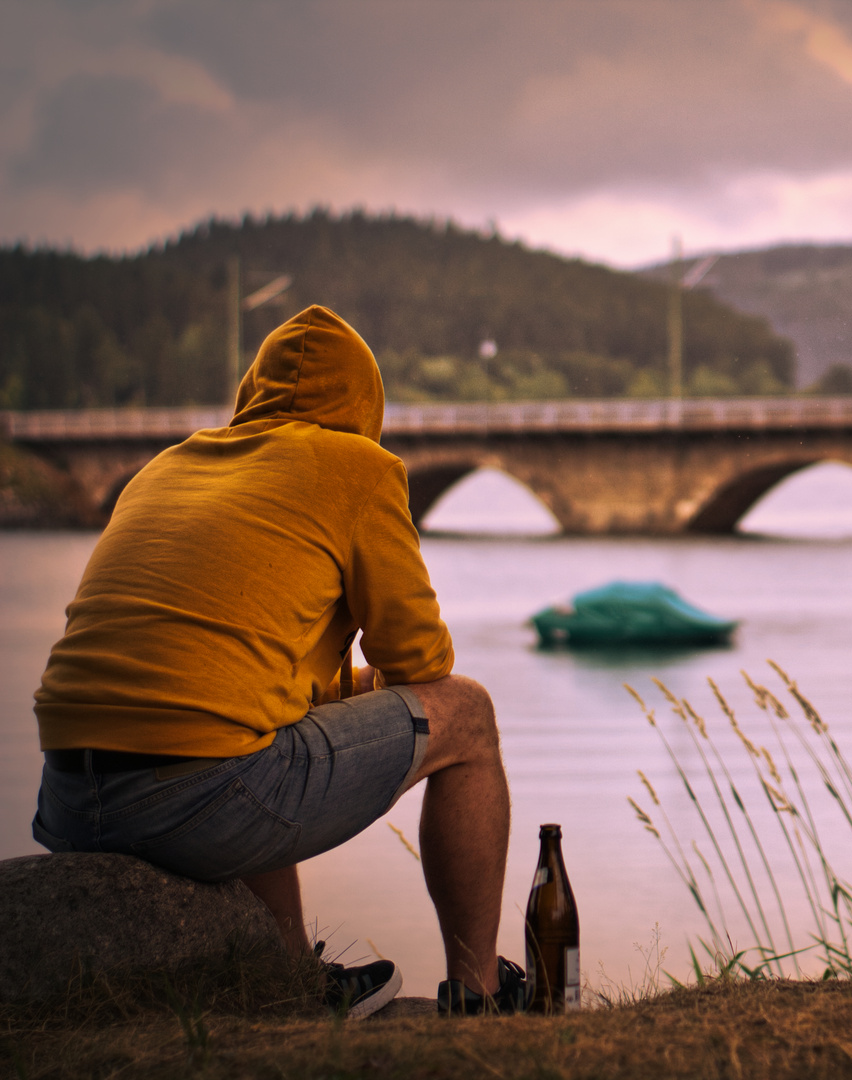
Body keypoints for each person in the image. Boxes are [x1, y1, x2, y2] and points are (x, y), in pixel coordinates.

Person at [32, 305, 522, 1017]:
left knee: (252, 727)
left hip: (67, 803)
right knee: (468, 716)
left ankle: (290, 983)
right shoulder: (357, 466)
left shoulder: (164, 469)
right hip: (191, 803)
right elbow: (422, 661)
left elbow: (225, 677)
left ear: (249, 392)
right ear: (368, 405)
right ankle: (479, 998)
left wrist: (334, 682)